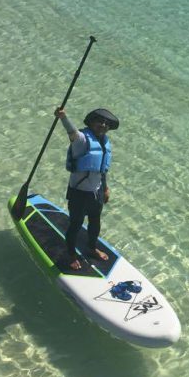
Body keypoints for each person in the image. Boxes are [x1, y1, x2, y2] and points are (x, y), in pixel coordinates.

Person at [54, 106, 119, 270]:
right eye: (99, 121)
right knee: (75, 225)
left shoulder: (104, 143)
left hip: (95, 193)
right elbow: (72, 132)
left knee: (95, 223)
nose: (103, 125)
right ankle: (71, 254)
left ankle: (91, 248)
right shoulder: (82, 140)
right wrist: (63, 117)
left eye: (106, 123)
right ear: (90, 122)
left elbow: (102, 170)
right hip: (79, 194)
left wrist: (105, 189)